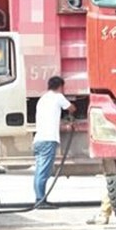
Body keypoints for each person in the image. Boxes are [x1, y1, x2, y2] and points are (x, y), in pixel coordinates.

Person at [33, 76, 76, 209]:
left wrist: (64, 127)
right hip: (48, 140)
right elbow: (72, 108)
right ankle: (40, 200)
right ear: (60, 87)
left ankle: (39, 198)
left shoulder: (42, 99)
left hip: (39, 139)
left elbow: (49, 121)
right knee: (43, 172)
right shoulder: (58, 97)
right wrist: (70, 117)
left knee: (39, 171)